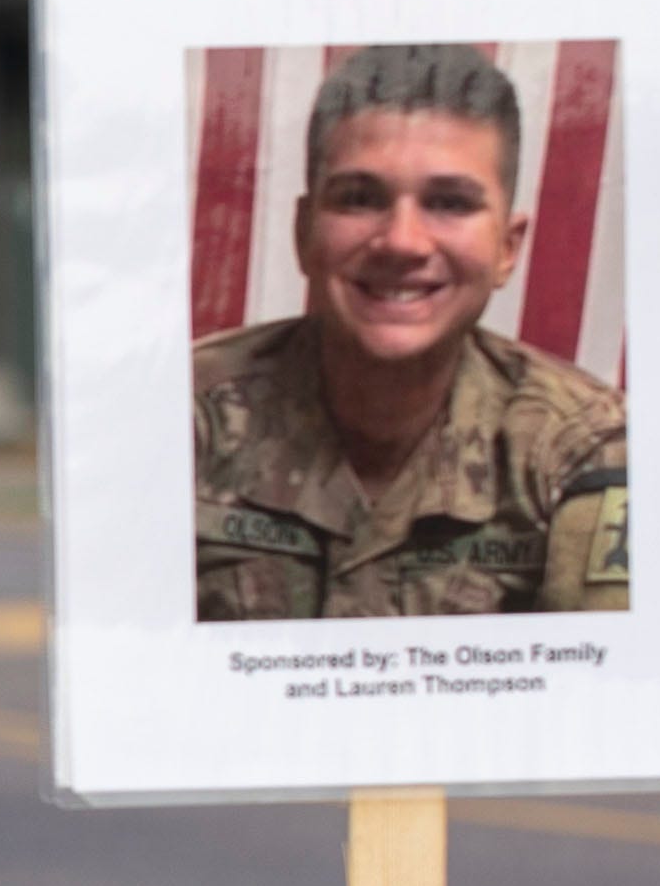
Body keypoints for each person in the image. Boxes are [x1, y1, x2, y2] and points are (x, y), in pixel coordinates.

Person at [193, 42, 627, 619]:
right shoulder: (180, 420)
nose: (402, 241)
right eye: (359, 199)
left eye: (449, 202)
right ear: (303, 232)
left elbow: (610, 697)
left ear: (507, 248)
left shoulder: (577, 450)